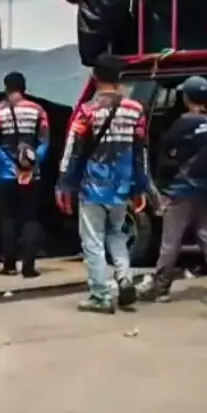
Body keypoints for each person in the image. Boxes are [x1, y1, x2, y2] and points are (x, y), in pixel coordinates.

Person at [57, 53, 151, 314]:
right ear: (120, 78)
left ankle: (100, 295)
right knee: (117, 234)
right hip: (122, 187)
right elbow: (141, 151)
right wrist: (140, 186)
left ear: (94, 77)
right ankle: (124, 278)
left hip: (92, 187)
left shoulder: (87, 111)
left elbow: (72, 151)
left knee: (92, 241)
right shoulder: (136, 110)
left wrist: (64, 184)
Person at [138, 76, 207, 305]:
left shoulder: (184, 122)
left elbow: (166, 146)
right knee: (206, 237)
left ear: (185, 97)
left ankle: (160, 289)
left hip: (182, 189)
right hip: (206, 189)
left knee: (170, 241)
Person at [0, 71, 50, 278]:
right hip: (32, 174)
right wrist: (32, 163)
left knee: (8, 218)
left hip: (6, 175)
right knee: (30, 218)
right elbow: (45, 140)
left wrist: (9, 165)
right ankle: (29, 267)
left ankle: (9, 265)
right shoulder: (38, 110)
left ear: (6, 87)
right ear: (24, 88)